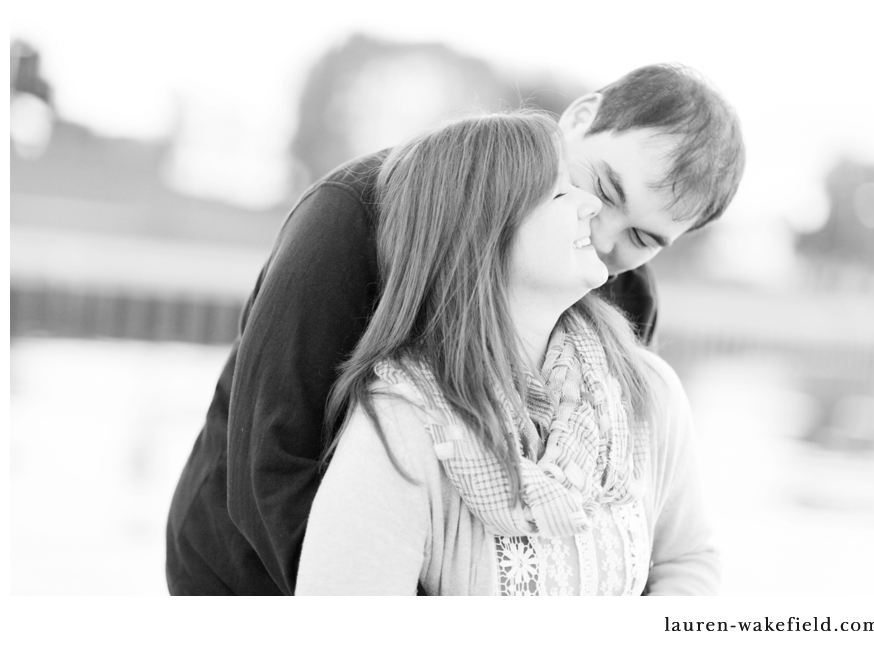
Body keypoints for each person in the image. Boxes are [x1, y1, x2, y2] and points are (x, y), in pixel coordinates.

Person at [165, 63, 744, 595]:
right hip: (245, 575)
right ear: (581, 117)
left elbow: (639, 507)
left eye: (643, 240)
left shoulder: (625, 304)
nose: (604, 235)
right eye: (602, 188)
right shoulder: (351, 219)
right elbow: (271, 453)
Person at [296, 110, 716, 595]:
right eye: (562, 192)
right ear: (487, 229)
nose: (591, 211)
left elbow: (688, 560)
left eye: (643, 237)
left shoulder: (647, 390)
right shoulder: (403, 428)